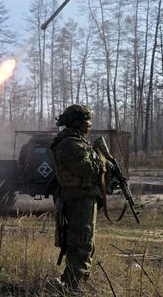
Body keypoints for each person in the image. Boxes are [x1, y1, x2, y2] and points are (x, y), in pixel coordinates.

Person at [50, 104, 103, 289]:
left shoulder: (76, 141)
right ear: (77, 122)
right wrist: (101, 161)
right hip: (78, 198)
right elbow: (86, 169)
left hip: (84, 197)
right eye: (87, 120)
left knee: (85, 241)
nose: (90, 124)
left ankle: (77, 281)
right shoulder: (69, 143)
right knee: (81, 241)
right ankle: (72, 284)